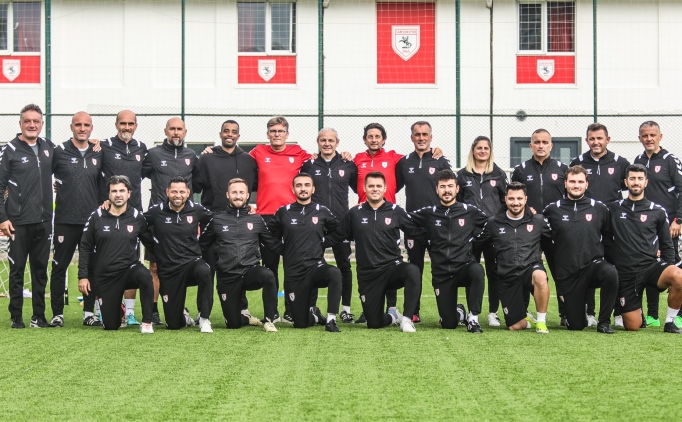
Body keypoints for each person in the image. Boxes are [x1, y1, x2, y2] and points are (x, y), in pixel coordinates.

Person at [332, 172, 424, 332]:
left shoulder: (396, 211)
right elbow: (337, 235)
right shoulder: (354, 213)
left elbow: (416, 232)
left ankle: (407, 320)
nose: (375, 189)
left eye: (378, 186)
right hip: (368, 275)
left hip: (392, 268)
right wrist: (314, 243)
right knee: (373, 323)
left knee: (413, 270)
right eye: (371, 186)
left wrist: (439, 239)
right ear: (364, 188)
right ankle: (393, 317)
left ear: (385, 188)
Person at [193, 120, 259, 322]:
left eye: (234, 132)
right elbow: (194, 186)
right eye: (226, 131)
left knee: (239, 266)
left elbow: (256, 188)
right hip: (212, 222)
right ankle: (203, 311)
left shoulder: (248, 161)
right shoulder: (206, 158)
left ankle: (242, 308)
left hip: (239, 225)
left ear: (239, 136)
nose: (230, 134)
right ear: (220, 134)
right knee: (208, 269)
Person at [606, 164, 682, 333]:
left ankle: (670, 322)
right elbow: (606, 239)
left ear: (646, 182)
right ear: (626, 182)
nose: (636, 182)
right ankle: (637, 311)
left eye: (640, 179)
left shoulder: (657, 211)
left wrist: (669, 266)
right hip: (626, 273)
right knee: (632, 326)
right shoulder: (613, 208)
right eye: (632, 178)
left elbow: (667, 245)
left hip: (651, 267)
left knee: (679, 275)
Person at [199, 178, 281, 332]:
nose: (238, 196)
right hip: (227, 276)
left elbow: (272, 244)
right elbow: (202, 244)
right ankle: (245, 318)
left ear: (247, 195)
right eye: (234, 192)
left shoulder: (256, 220)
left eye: (241, 192)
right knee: (233, 324)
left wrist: (294, 251)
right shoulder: (217, 219)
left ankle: (269, 320)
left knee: (268, 274)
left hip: (250, 271)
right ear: (227, 195)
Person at [542, 166, 618, 333]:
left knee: (610, 273)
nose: (576, 185)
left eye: (580, 182)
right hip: (568, 274)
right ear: (565, 183)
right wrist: (559, 279)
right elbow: (545, 243)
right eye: (572, 181)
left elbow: (608, 240)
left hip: (592, 267)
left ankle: (604, 322)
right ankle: (577, 311)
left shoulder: (600, 209)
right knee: (576, 326)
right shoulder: (551, 210)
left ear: (586, 184)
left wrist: (614, 263)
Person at [409, 169, 486, 332]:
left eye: (450, 186)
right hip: (442, 273)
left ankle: (473, 319)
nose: (447, 190)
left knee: (477, 269)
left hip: (464, 267)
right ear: (437, 189)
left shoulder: (469, 211)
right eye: (442, 187)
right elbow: (404, 220)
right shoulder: (429, 213)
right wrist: (424, 238)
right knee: (448, 324)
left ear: (457, 189)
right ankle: (459, 312)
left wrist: (477, 240)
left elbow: (491, 224)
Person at [0, 104, 56, 328]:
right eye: (27, 121)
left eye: (36, 121)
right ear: (20, 124)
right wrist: (2, 218)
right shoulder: (9, 150)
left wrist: (93, 143)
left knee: (40, 271)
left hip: (44, 222)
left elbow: (71, 159)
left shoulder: (49, 147)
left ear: (42, 124)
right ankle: (16, 316)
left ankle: (38, 317)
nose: (32, 125)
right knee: (17, 270)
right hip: (18, 223)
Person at [570, 123, 630, 327]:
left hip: (613, 226)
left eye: (599, 138)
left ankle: (618, 312)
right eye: (592, 139)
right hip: (586, 225)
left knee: (615, 267)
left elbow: (629, 189)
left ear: (607, 139)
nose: (596, 142)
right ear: (587, 140)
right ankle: (589, 312)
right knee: (587, 266)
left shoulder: (621, 162)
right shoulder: (578, 162)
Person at [77, 176, 155, 333]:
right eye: (114, 191)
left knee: (145, 275)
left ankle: (147, 322)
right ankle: (119, 309)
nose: (118, 194)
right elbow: (85, 246)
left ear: (129, 193)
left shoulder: (137, 217)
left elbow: (151, 243)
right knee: (111, 326)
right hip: (106, 277)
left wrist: (164, 261)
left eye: (122, 191)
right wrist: (83, 276)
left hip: (129, 270)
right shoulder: (97, 216)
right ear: (109, 194)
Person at [268, 173, 343, 332]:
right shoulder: (283, 212)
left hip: (316, 268)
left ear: (313, 189)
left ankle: (331, 320)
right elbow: (268, 235)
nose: (303, 189)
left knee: (334, 272)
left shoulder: (322, 211)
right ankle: (315, 316)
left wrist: (322, 243)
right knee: (300, 323)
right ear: (293, 189)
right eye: (299, 185)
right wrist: (283, 250)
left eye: (307, 185)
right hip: (294, 272)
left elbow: (339, 231)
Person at [142, 117, 198, 325]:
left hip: (184, 222)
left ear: (185, 132)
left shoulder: (191, 156)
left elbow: (200, 183)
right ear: (166, 131)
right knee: (155, 267)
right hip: (159, 221)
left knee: (183, 265)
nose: (176, 132)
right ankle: (153, 310)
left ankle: (179, 306)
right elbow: (134, 177)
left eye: (179, 129)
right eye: (172, 129)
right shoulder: (153, 154)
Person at [50, 111, 103, 327]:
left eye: (86, 125)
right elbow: (42, 174)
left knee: (91, 268)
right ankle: (57, 314)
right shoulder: (59, 151)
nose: (82, 128)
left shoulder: (99, 151)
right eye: (78, 125)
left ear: (91, 128)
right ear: (71, 127)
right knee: (59, 267)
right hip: (65, 220)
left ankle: (89, 313)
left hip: (91, 221)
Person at [396, 121, 452, 323]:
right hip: (413, 226)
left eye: (425, 134)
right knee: (414, 270)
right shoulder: (404, 163)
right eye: (417, 134)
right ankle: (413, 312)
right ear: (412, 137)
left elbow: (452, 191)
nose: (421, 138)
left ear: (431, 137)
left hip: (438, 225)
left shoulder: (441, 161)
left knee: (441, 269)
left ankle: (446, 313)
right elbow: (391, 189)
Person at [476, 182, 550, 333]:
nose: (516, 203)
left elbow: (554, 243)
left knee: (540, 275)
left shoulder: (538, 221)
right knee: (514, 326)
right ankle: (528, 322)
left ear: (525, 199)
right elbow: (477, 244)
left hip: (530, 269)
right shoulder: (493, 223)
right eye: (511, 198)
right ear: (505, 199)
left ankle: (541, 321)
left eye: (519, 198)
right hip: (508, 276)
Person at [301, 128, 358, 323]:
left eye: (331, 140)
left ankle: (346, 309)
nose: (327, 143)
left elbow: (361, 189)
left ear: (337, 142)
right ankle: (312, 308)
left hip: (341, 225)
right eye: (323, 140)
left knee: (344, 266)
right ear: (318, 142)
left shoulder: (348, 164)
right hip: (316, 224)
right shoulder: (308, 165)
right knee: (312, 265)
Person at [143, 176, 214, 333]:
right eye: (174, 191)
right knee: (173, 325)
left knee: (205, 270)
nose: (178, 195)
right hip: (169, 270)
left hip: (191, 264)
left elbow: (217, 222)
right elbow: (137, 224)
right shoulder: (157, 211)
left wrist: (202, 244)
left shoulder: (197, 209)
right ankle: (183, 316)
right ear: (167, 192)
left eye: (182, 192)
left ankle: (204, 318)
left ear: (188, 193)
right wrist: (153, 246)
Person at [511, 129, 568, 324]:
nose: (541, 145)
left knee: (560, 271)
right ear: (531, 146)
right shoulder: (521, 170)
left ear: (551, 145)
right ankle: (523, 312)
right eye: (537, 142)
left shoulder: (562, 169)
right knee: (525, 270)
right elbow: (514, 197)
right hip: (528, 229)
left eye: (545, 142)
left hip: (554, 230)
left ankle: (565, 313)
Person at [98, 110, 148, 325]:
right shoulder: (103, 146)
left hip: (133, 214)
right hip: (109, 213)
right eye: (123, 123)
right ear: (116, 124)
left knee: (132, 262)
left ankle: (129, 312)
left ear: (135, 125)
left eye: (130, 124)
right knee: (103, 261)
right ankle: (99, 310)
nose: (126, 127)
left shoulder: (141, 148)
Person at [634, 121, 682, 328]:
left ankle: (678, 315)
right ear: (640, 138)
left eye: (652, 135)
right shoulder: (638, 160)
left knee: (675, 267)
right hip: (646, 227)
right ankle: (653, 315)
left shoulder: (670, 160)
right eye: (645, 135)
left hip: (670, 226)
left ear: (660, 137)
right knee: (650, 264)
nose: (649, 139)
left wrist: (678, 220)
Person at [456, 136, 507, 327]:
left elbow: (505, 202)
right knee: (472, 271)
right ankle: (472, 313)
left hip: (493, 233)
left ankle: (493, 312)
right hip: (470, 233)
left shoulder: (499, 174)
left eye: (486, 148)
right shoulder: (462, 175)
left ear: (490, 151)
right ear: (473, 150)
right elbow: (457, 204)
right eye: (479, 148)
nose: (483, 151)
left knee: (495, 273)